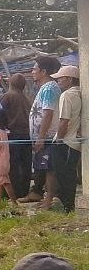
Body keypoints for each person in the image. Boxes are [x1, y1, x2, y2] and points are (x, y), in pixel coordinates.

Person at [23, 56, 63, 206]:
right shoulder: (45, 88)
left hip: (48, 136)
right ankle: (40, 195)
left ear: (44, 71)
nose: (32, 72)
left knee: (49, 168)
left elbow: (48, 113)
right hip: (43, 136)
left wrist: (41, 137)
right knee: (43, 166)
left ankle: (49, 199)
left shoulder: (49, 88)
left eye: (35, 69)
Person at [51, 65, 82, 213]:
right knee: (69, 174)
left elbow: (64, 120)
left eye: (60, 78)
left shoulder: (67, 95)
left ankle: (67, 206)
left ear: (69, 79)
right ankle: (68, 206)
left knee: (63, 175)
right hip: (75, 141)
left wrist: (59, 139)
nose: (58, 81)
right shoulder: (80, 92)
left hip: (66, 142)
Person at [0, 74, 33, 199]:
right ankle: (24, 191)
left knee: (13, 165)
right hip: (26, 135)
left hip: (12, 135)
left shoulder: (7, 96)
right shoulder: (26, 98)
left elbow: (0, 114)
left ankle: (14, 192)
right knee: (25, 164)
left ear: (11, 83)